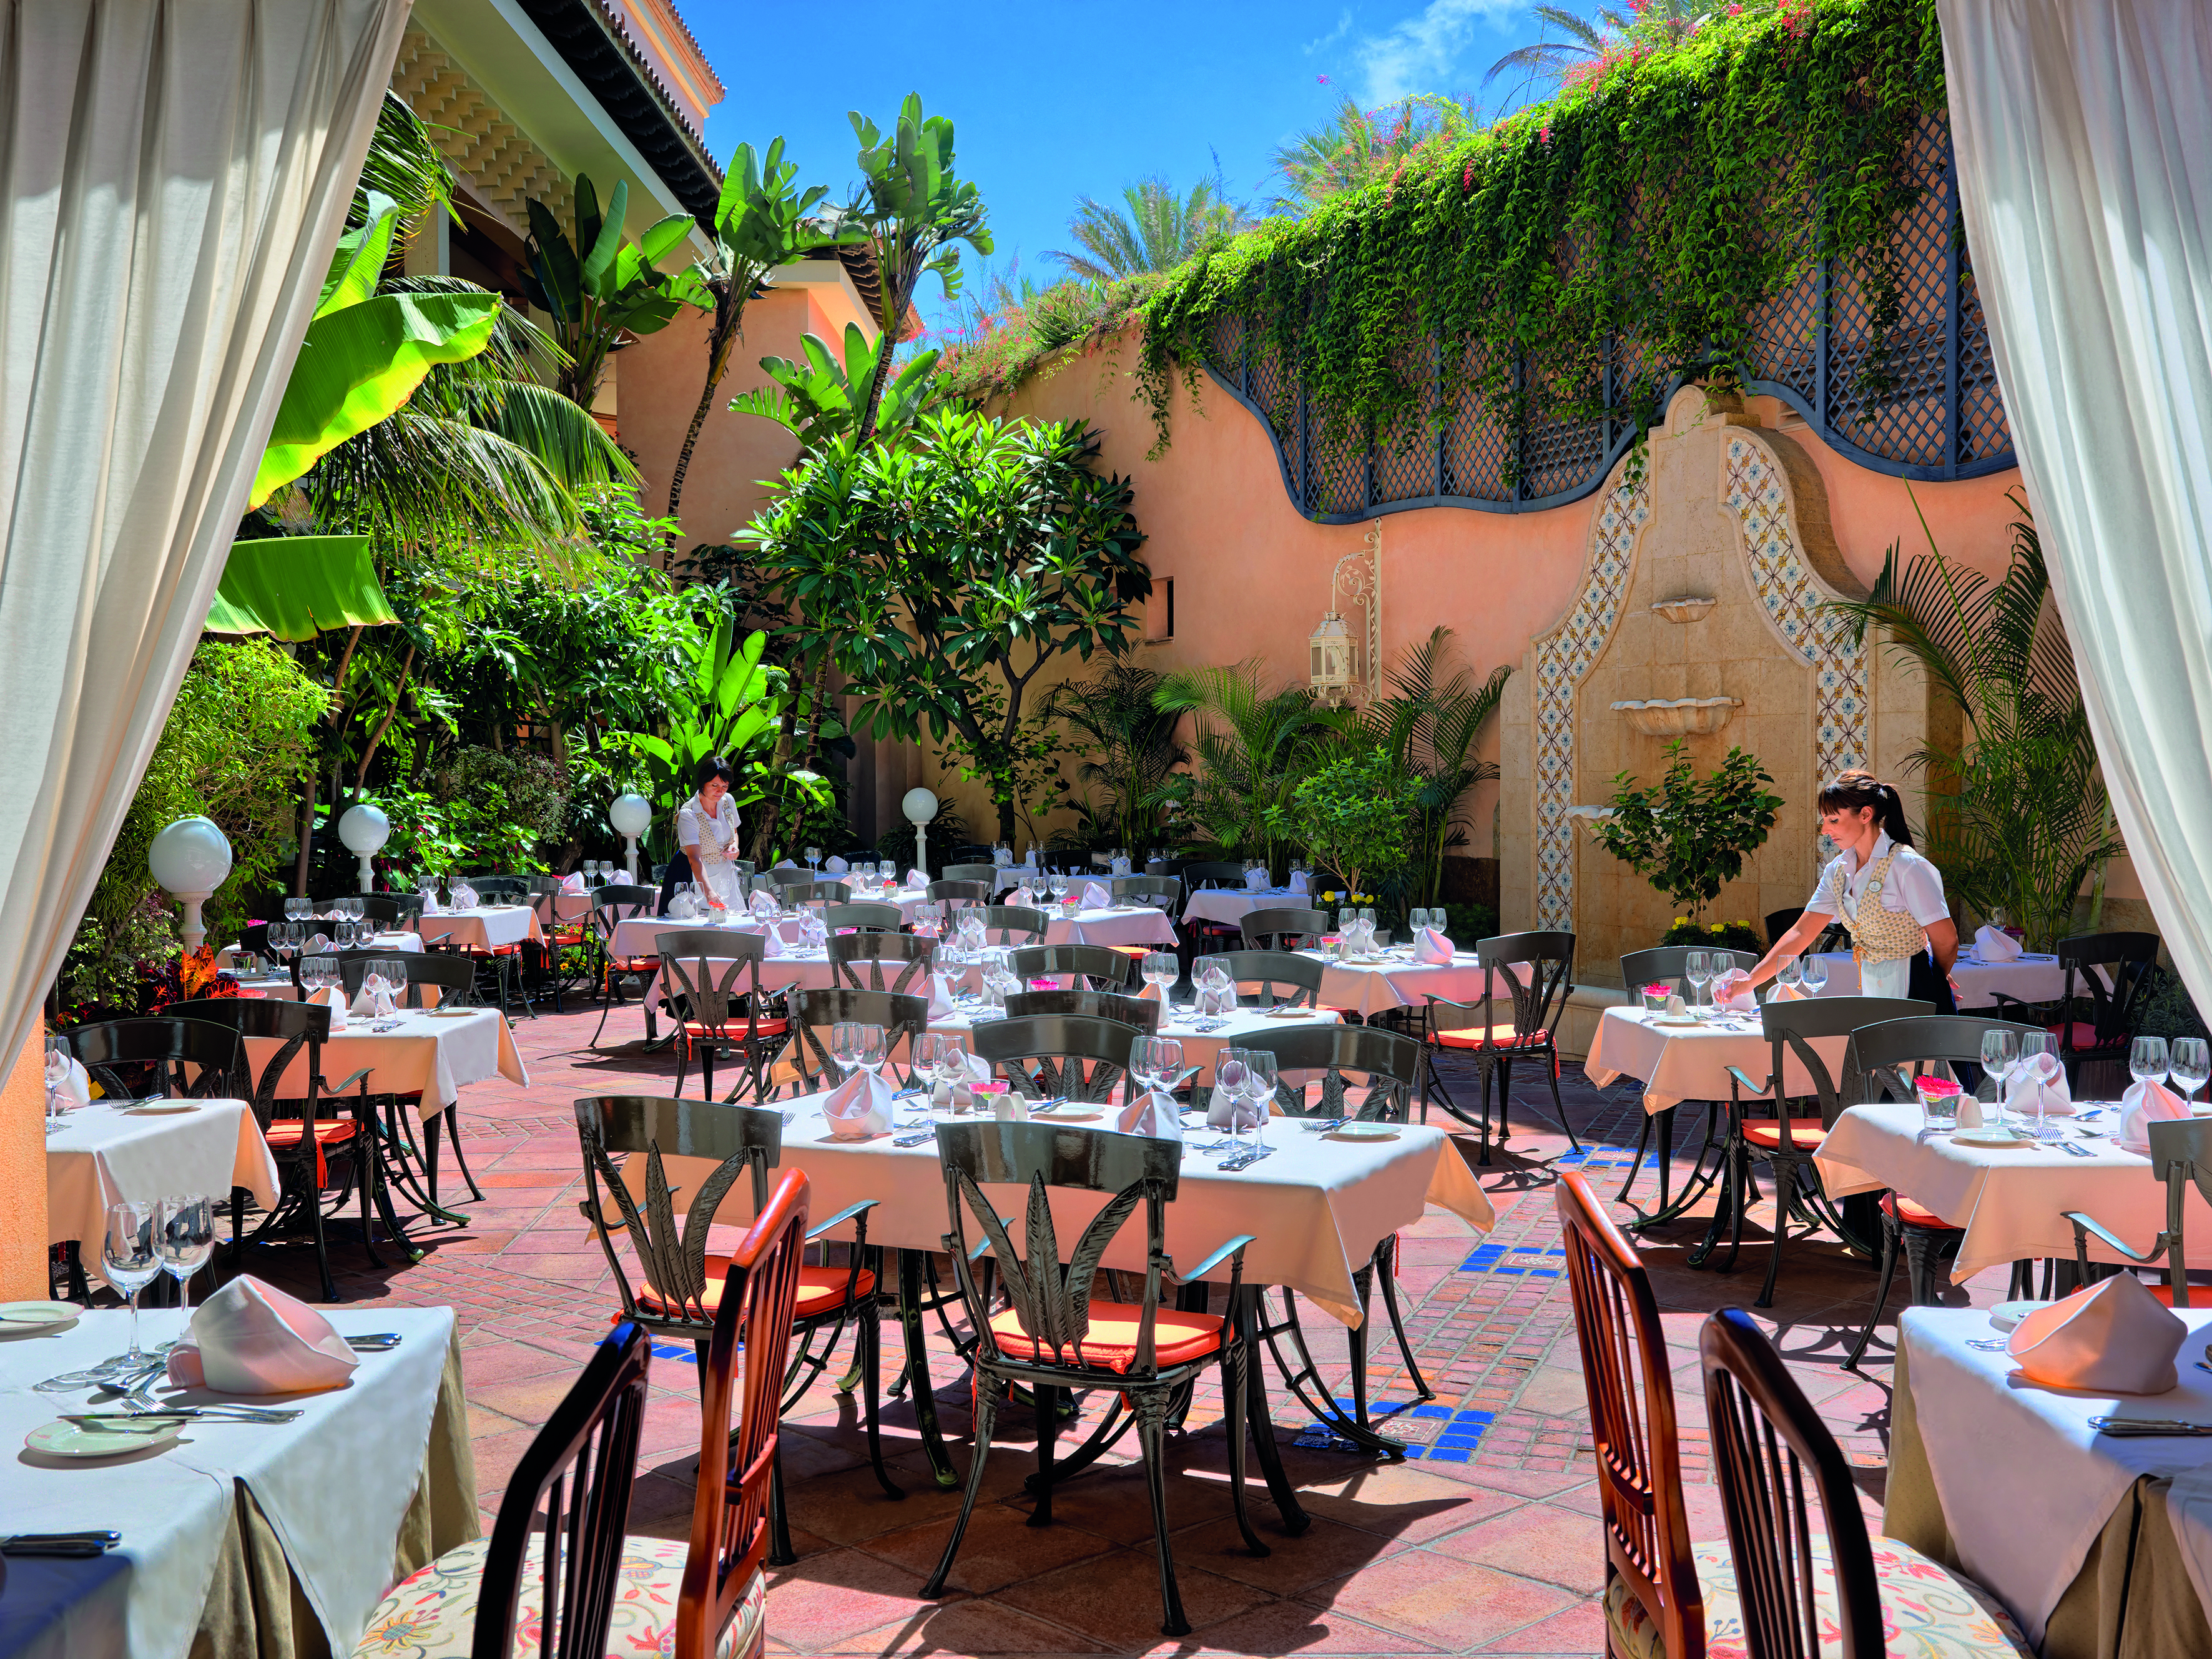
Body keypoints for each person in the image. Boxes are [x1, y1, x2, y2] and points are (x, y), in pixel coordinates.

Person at [1737, 770, 1960, 1013]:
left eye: (1833, 820)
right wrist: (1750, 982)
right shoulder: (1838, 870)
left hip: (1916, 989)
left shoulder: (1907, 866)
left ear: (1865, 814)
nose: (1824, 830)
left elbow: (1946, 940)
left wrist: (1934, 978)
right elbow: (1801, 933)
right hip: (1873, 987)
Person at [675, 756, 744, 908]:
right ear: (703, 783)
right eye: (714, 785)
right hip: (699, 878)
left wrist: (735, 847)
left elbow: (734, 832)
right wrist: (708, 892)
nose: (720, 791)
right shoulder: (689, 814)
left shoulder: (728, 801)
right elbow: (694, 858)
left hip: (727, 878)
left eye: (725, 786)